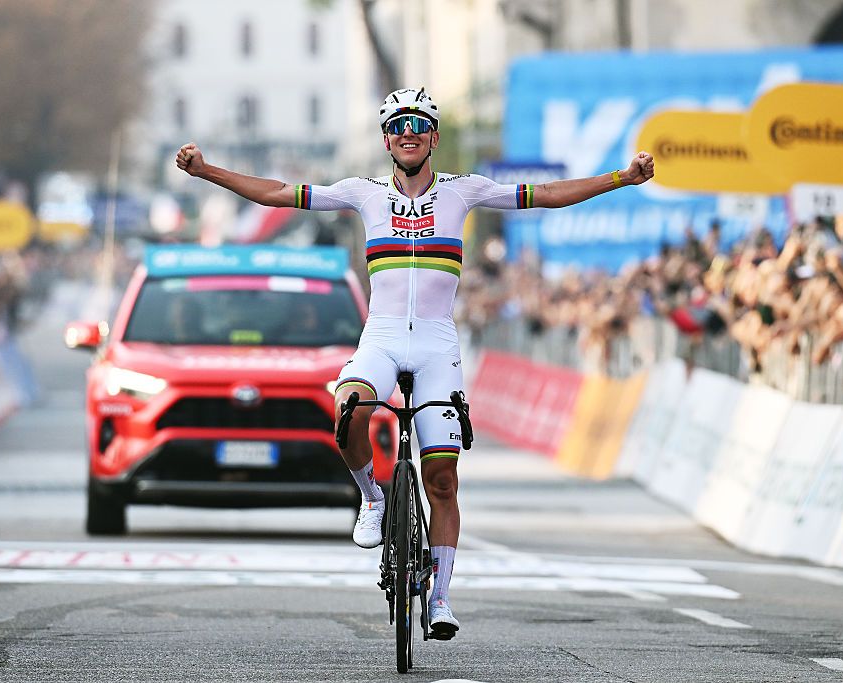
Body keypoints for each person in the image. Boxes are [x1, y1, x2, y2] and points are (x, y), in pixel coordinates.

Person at [176, 86, 654, 639]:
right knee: (349, 409)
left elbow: (546, 193)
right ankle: (373, 497)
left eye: (419, 124)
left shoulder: (464, 190)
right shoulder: (363, 193)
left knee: (443, 479)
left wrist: (622, 177)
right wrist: (208, 171)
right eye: (398, 125)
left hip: (435, 344)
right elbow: (279, 193)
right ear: (386, 138)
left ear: (434, 136)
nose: (408, 133)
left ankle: (442, 597)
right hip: (379, 339)